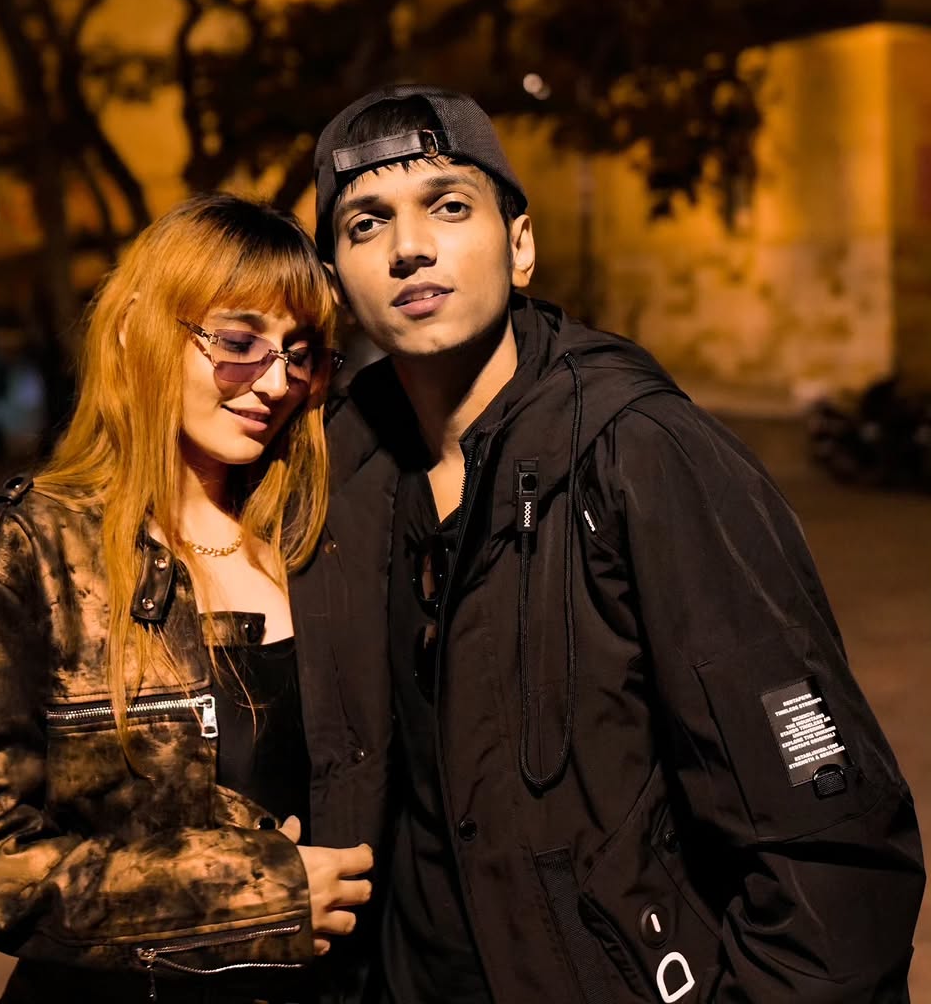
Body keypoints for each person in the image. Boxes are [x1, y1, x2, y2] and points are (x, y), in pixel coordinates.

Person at [311, 85, 925, 1004]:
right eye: (367, 223)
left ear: (520, 245)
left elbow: (829, 842)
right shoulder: (335, 473)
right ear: (337, 280)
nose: (410, 247)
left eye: (449, 206)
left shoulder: (640, 451)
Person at [0, 194, 374, 1004]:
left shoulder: (322, 539)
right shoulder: (28, 555)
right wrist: (243, 895)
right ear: (135, 331)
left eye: (300, 354)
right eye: (238, 343)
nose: (276, 382)